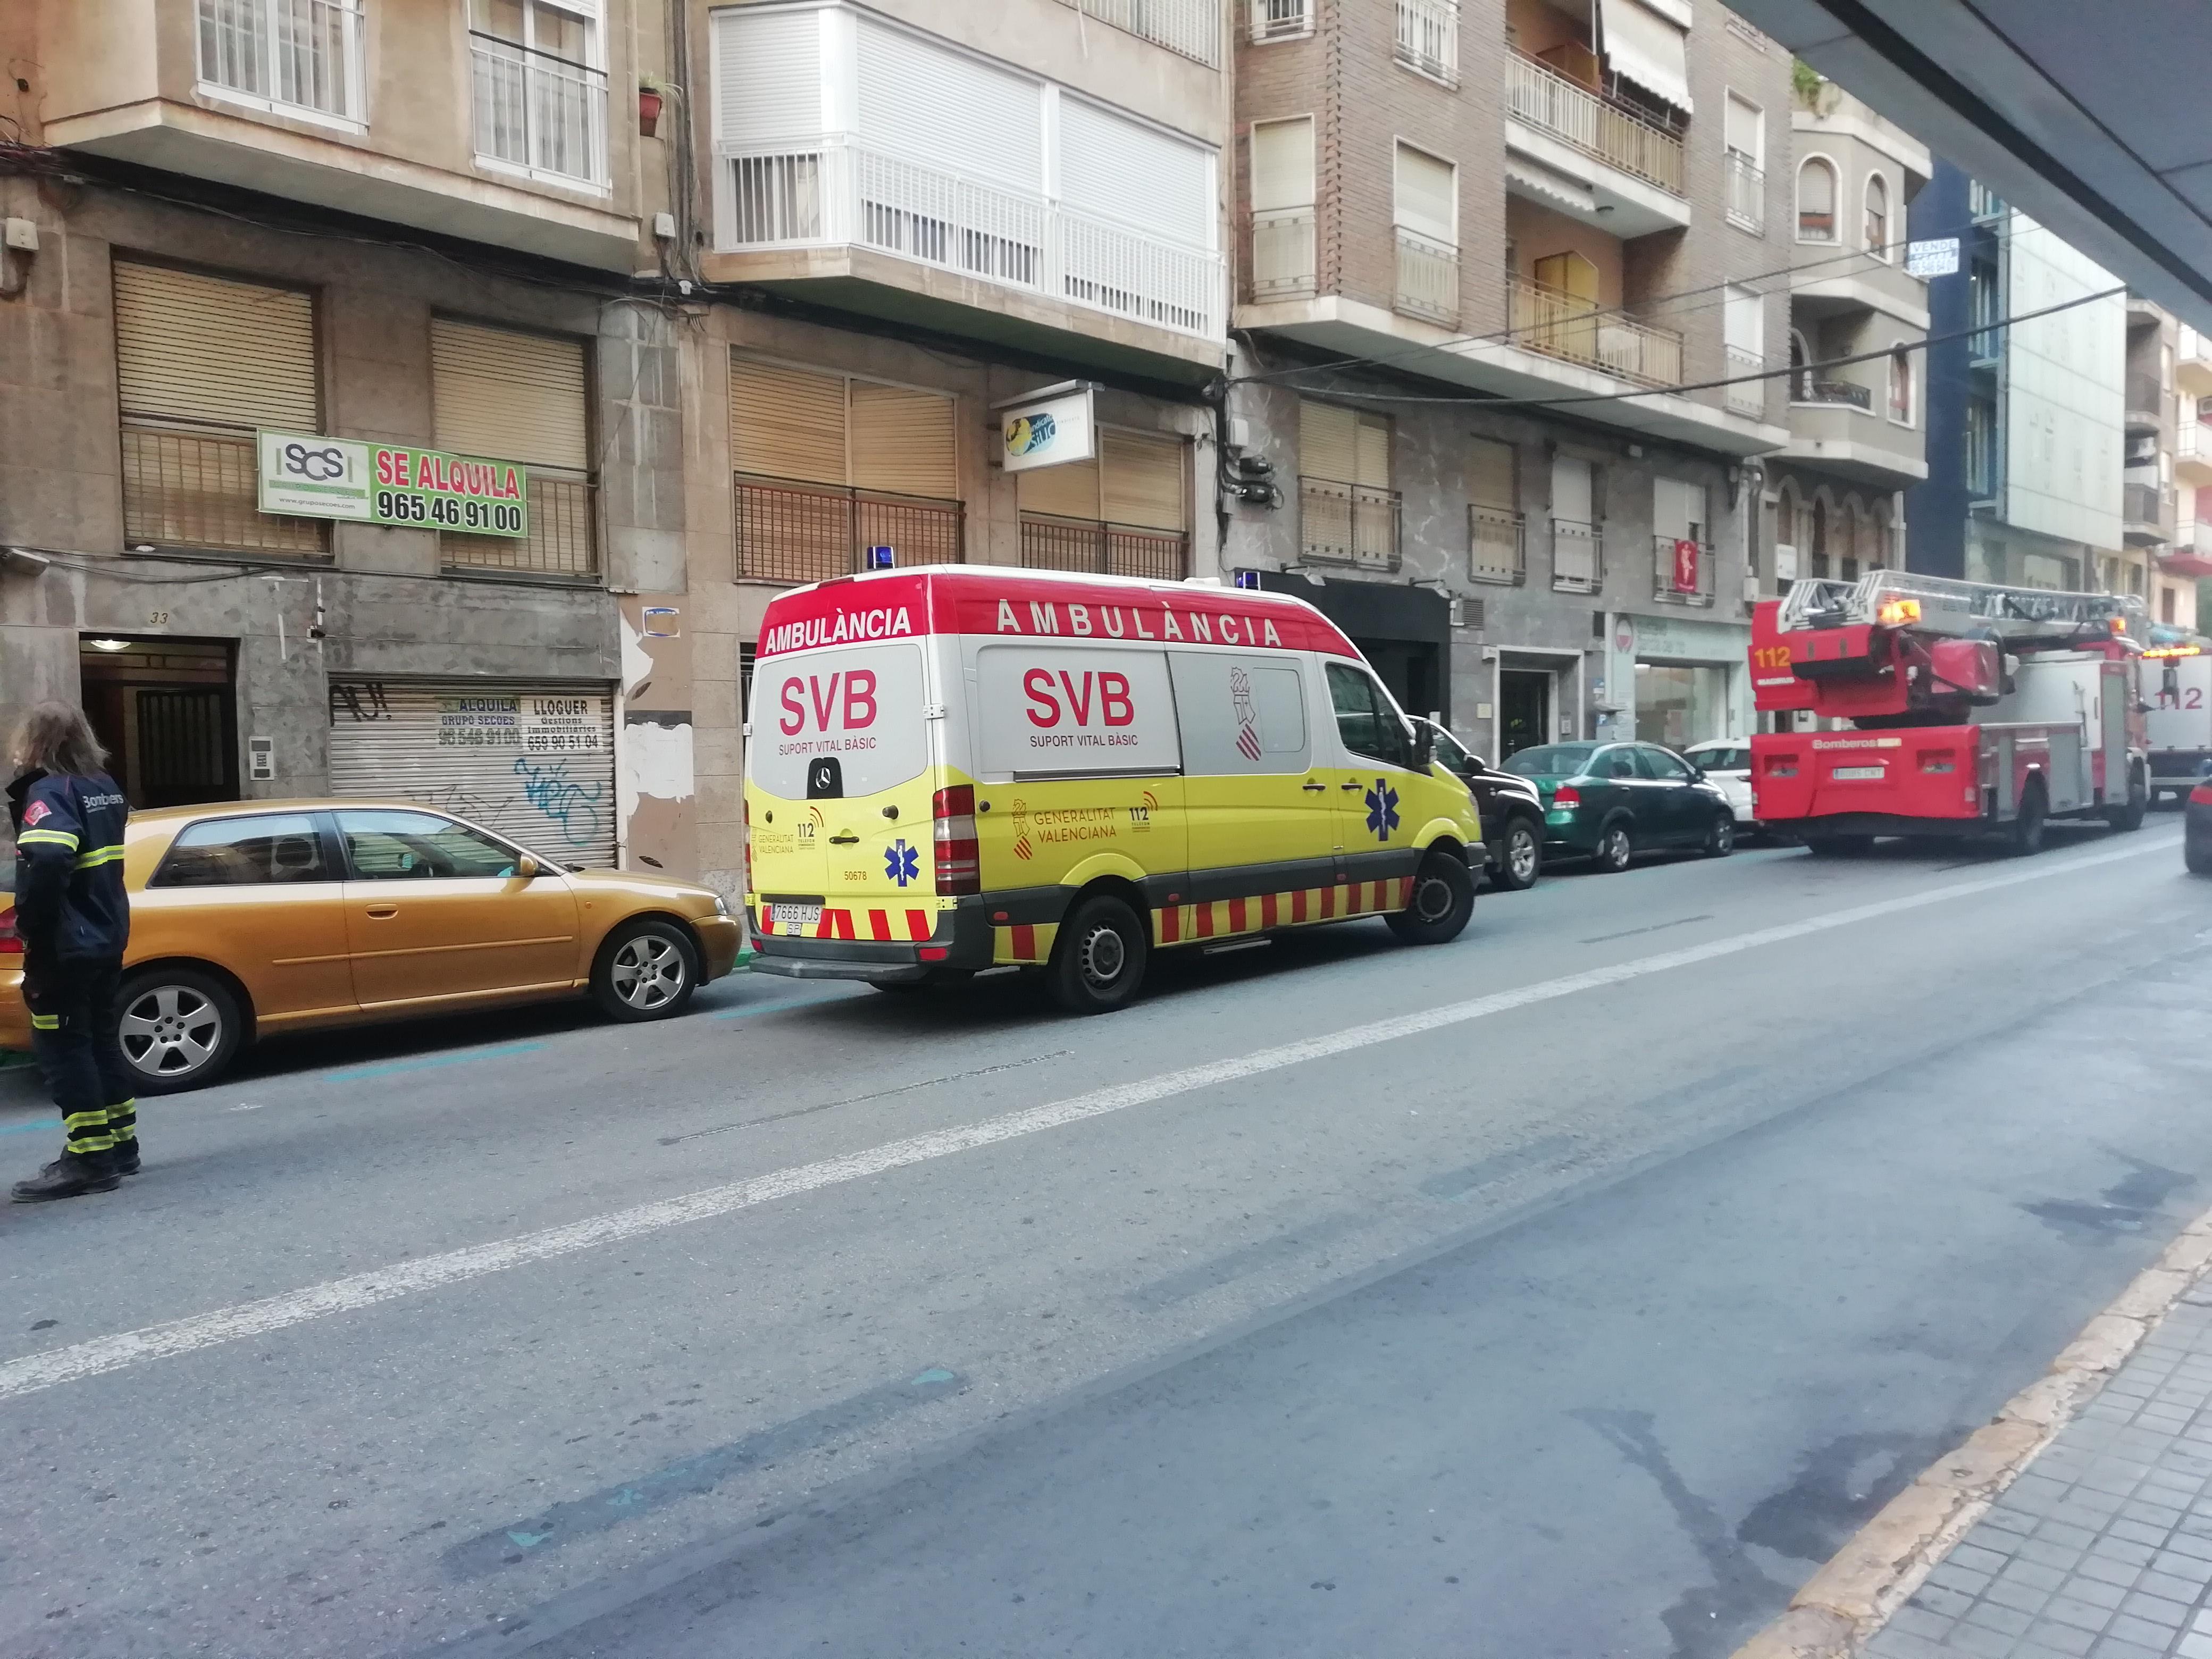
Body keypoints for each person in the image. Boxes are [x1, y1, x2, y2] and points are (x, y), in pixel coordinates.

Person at [6, 702, 135, 1202]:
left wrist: (33, 925)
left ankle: (89, 1159)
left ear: (34, 742)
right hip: (105, 935)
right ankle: (121, 1145)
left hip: (66, 944)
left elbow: (51, 854)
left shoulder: (49, 791)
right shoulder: (103, 786)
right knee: (101, 1039)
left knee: (63, 1049)